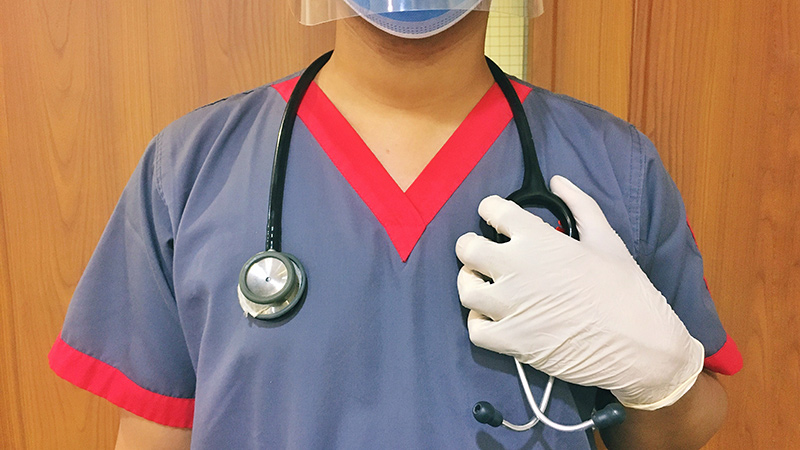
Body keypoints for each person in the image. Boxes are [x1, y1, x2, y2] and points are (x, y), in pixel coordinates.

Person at [49, 1, 742, 448]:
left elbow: (685, 429)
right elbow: (153, 435)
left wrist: (661, 378)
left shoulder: (612, 167)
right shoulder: (192, 168)